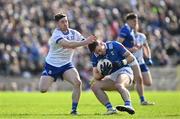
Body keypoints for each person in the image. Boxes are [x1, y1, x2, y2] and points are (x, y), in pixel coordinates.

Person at [38, 13, 97, 115]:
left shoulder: (74, 33)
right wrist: (85, 42)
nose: (65, 23)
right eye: (62, 22)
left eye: (66, 21)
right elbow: (69, 44)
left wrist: (96, 45)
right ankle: (50, 75)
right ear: (57, 24)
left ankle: (74, 110)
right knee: (43, 89)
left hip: (66, 65)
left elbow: (86, 42)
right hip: (52, 64)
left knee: (78, 82)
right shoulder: (56, 34)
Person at [88, 40, 137, 115]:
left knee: (119, 84)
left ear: (101, 43)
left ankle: (128, 105)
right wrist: (103, 73)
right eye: (97, 52)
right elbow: (95, 76)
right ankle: (110, 109)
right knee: (94, 86)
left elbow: (131, 57)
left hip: (124, 71)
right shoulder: (95, 55)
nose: (99, 53)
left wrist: (120, 63)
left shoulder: (114, 45)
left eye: (99, 50)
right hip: (112, 76)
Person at [117, 12, 153, 105]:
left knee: (143, 80)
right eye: (134, 21)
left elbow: (145, 46)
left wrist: (148, 57)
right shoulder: (125, 30)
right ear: (128, 21)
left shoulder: (131, 30)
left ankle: (141, 98)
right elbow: (118, 44)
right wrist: (131, 49)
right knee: (138, 79)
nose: (136, 23)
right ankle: (141, 100)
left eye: (136, 21)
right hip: (129, 59)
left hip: (136, 59)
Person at [133, 23, 154, 87]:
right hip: (132, 63)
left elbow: (146, 47)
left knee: (148, 83)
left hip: (141, 62)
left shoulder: (142, 36)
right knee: (135, 82)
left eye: (136, 25)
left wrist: (149, 57)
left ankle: (136, 81)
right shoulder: (126, 36)